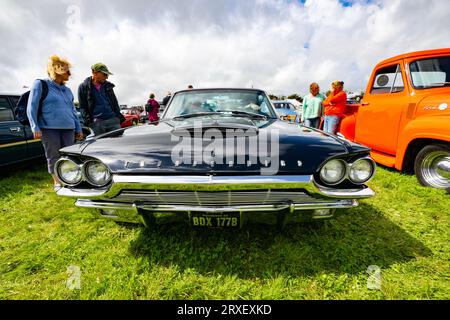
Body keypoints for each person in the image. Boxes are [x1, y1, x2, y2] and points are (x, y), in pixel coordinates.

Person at [27, 55, 83, 190]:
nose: (70, 74)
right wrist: (35, 126)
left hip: (68, 127)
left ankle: (71, 179)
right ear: (57, 70)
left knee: (70, 155)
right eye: (67, 71)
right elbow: (31, 107)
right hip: (49, 128)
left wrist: (78, 128)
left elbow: (73, 111)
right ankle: (57, 181)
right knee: (53, 155)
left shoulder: (68, 90)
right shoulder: (40, 84)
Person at [78, 62, 125, 136]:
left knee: (118, 146)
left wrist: (117, 117)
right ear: (95, 73)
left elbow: (115, 103)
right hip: (96, 124)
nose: (107, 77)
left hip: (113, 121)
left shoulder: (108, 86)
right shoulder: (83, 87)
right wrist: (89, 122)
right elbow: (82, 107)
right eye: (105, 74)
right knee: (101, 147)